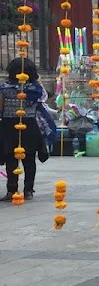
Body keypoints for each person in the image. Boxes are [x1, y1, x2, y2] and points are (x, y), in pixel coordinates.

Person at [0, 58, 48, 201]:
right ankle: (28, 190)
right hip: (29, 126)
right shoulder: (36, 89)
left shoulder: (4, 88)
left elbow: (0, 107)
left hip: (9, 126)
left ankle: (11, 190)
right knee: (29, 159)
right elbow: (43, 100)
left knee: (11, 159)